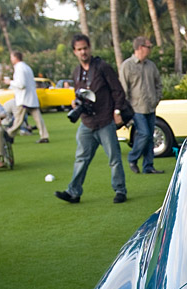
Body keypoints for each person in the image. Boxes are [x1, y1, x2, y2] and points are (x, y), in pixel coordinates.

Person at [55, 34, 128, 204]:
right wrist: (75, 102)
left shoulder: (102, 67)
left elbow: (118, 91)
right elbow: (78, 94)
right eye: (79, 49)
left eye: (85, 48)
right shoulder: (76, 72)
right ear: (74, 52)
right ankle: (73, 192)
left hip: (105, 120)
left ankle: (120, 190)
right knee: (81, 158)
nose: (83, 52)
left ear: (90, 48)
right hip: (86, 122)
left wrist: (117, 111)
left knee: (114, 159)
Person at [119, 36, 163, 174]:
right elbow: (123, 88)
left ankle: (148, 166)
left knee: (150, 136)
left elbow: (158, 84)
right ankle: (133, 158)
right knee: (143, 134)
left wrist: (156, 98)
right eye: (148, 47)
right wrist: (123, 109)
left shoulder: (151, 65)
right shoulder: (127, 65)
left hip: (150, 106)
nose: (150, 50)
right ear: (139, 48)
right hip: (135, 108)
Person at [5, 50, 49, 143]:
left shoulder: (19, 68)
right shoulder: (27, 67)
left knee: (19, 119)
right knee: (38, 119)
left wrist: (10, 82)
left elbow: (21, 84)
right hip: (31, 97)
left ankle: (9, 134)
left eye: (11, 57)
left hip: (23, 98)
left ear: (15, 58)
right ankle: (44, 136)